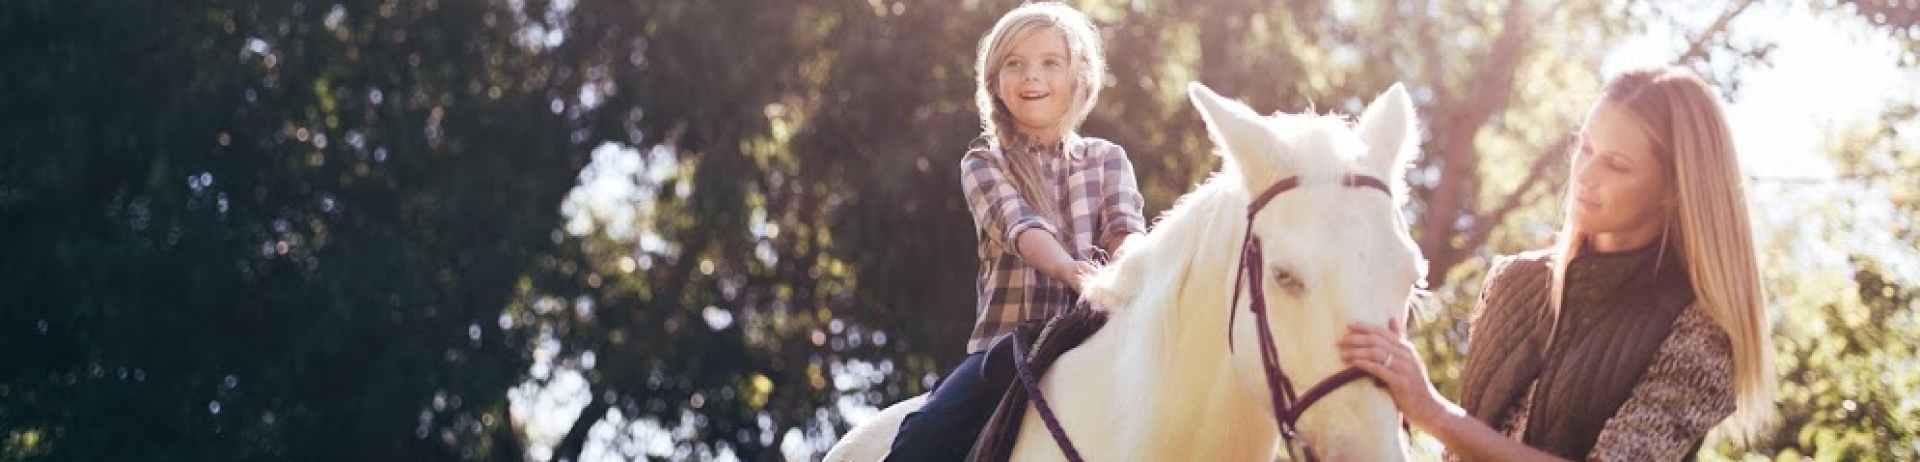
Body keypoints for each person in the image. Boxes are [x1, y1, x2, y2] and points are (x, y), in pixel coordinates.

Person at [1339, 66, 1774, 461]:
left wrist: (1434, 412)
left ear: (1673, 189)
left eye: (1617, 165)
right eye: (1584, 147)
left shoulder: (1701, 328)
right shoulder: (1511, 282)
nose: (1585, 175)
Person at [885, 2, 1145, 460]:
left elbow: (1125, 231)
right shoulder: (984, 163)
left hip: (1099, 338)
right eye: (1015, 63)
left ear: (1078, 77)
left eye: (1050, 63)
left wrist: (1128, 273)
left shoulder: (1108, 159)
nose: (1032, 76)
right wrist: (1069, 270)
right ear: (994, 82)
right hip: (1007, 350)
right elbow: (1020, 227)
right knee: (920, 439)